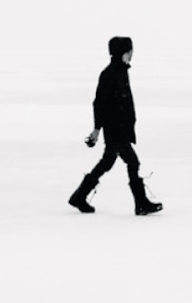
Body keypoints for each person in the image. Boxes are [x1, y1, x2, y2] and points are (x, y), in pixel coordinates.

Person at [68, 36, 163, 215]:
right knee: (133, 162)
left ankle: (79, 196)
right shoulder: (109, 74)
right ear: (121, 52)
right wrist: (97, 129)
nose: (132, 54)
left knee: (107, 162)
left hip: (121, 128)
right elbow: (99, 103)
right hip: (115, 129)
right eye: (129, 51)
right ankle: (141, 203)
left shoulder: (121, 71)